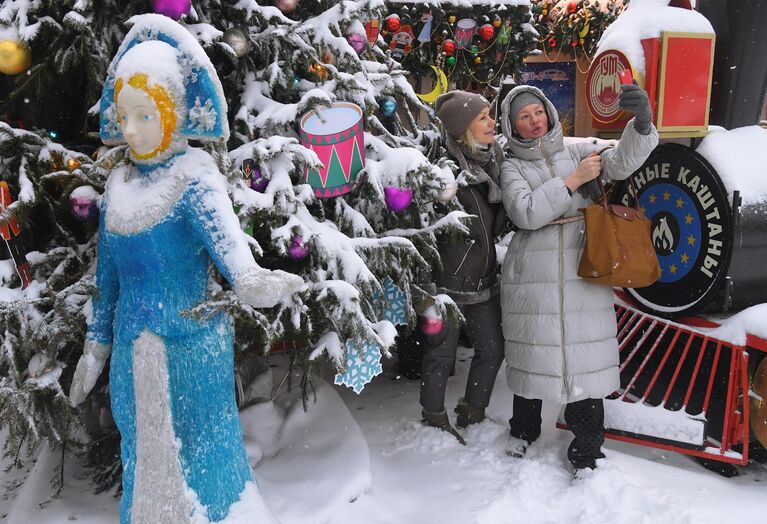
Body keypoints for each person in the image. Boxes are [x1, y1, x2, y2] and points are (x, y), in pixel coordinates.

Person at [68, 15, 302, 523]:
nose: (130, 129)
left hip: (193, 346)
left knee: (202, 446)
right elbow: (106, 282)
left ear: (172, 113)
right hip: (133, 353)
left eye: (144, 115)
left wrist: (256, 283)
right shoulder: (117, 190)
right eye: (123, 116)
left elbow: (233, 257)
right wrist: (95, 345)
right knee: (143, 447)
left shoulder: (195, 178)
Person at [497, 83, 658, 473]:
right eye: (524, 116)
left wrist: (641, 125)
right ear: (512, 125)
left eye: (538, 111)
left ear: (550, 113)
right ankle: (523, 430)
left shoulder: (577, 149)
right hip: (531, 272)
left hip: (583, 263)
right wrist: (571, 182)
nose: (534, 121)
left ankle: (587, 448)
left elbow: (620, 162)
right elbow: (526, 213)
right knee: (533, 352)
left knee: (585, 355)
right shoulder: (511, 166)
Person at [419, 91, 507, 444]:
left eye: (490, 115)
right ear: (462, 128)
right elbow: (424, 226)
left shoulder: (492, 162)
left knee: (493, 349)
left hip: (483, 278)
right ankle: (434, 416)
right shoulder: (444, 170)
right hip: (448, 283)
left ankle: (474, 409)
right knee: (440, 354)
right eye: (483, 117)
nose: (492, 123)